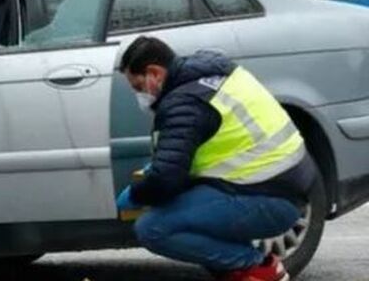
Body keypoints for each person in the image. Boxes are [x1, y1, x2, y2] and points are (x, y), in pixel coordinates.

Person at [116, 36, 316, 281]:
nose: (139, 95)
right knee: (186, 213)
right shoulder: (213, 75)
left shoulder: (185, 103)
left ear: (155, 73)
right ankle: (245, 272)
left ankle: (259, 268)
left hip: (268, 197)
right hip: (282, 187)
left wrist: (136, 194)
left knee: (153, 228)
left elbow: (166, 180)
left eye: (138, 87)